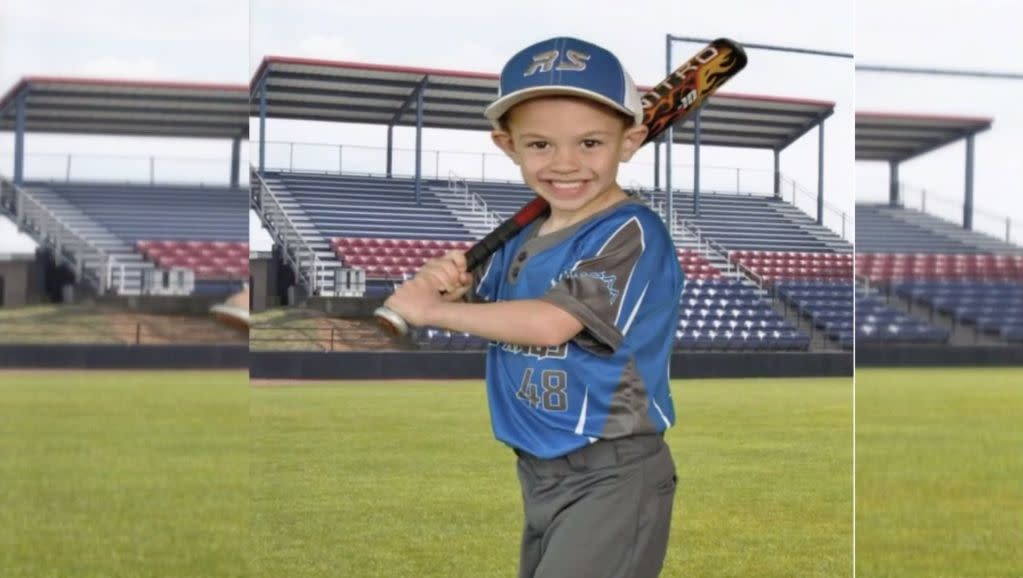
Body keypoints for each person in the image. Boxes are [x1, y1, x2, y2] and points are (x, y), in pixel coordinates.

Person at [382, 36, 684, 578]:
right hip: (539, 472)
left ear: (630, 140)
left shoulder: (631, 231)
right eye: (540, 145)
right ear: (508, 146)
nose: (565, 163)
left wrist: (432, 312)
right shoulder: (522, 240)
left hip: (612, 473)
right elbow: (495, 309)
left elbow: (550, 324)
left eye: (590, 143)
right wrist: (453, 287)